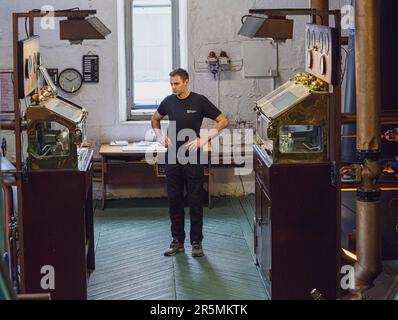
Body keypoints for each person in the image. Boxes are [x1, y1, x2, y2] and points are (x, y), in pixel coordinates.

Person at [151, 68, 229, 257]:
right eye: (171, 83)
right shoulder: (168, 101)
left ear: (186, 82)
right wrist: (159, 135)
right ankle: (177, 241)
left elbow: (223, 120)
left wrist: (205, 138)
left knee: (195, 200)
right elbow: (155, 119)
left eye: (176, 83)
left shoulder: (199, 100)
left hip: (194, 156)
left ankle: (196, 242)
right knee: (174, 200)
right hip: (173, 157)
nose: (173, 87)